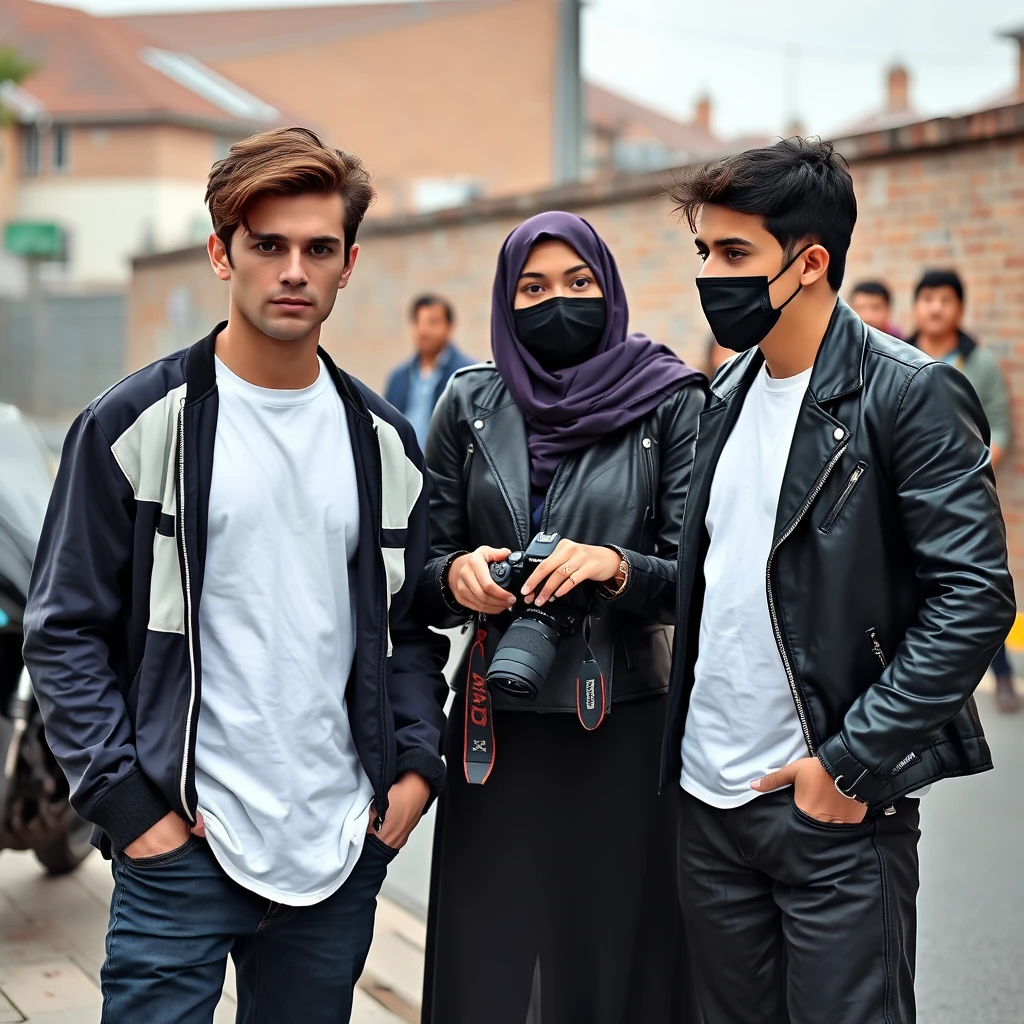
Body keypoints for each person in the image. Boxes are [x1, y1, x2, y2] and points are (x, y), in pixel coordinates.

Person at [22, 127, 448, 1024]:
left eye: (317, 249)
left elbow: (406, 628)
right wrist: (130, 808)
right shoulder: (133, 426)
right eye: (268, 245)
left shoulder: (382, 445)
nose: (293, 269)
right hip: (180, 847)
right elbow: (62, 631)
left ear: (348, 264)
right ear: (222, 254)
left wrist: (412, 771)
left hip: (337, 847)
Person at [662, 138, 1015, 1024]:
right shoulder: (729, 388)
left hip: (835, 811)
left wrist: (848, 766)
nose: (711, 275)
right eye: (704, 252)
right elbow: (724, 573)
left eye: (734, 254)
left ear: (810, 261)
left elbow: (975, 597)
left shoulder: (908, 392)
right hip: (710, 805)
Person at [418, 210, 705, 1024]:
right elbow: (421, 572)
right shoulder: (468, 402)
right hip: (492, 728)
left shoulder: (671, 401)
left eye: (578, 283)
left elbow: (699, 576)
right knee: (491, 962)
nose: (558, 303)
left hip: (623, 724)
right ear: (506, 302)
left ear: (608, 287)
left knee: (613, 955)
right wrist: (458, 575)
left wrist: (617, 569)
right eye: (533, 288)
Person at [909, 268, 1017, 712]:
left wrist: (964, 475)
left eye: (945, 299)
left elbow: (1001, 428)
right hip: (907, 494)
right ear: (916, 305)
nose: (935, 307)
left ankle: (1005, 677)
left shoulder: (980, 363)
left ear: (959, 307)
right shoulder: (898, 353)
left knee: (971, 588)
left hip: (962, 498)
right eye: (928, 298)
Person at [384, 293, 475, 447]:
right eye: (418, 322)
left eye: (433, 322)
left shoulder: (467, 376)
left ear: (449, 327)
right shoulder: (399, 376)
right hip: (405, 465)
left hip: (445, 468)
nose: (423, 330)